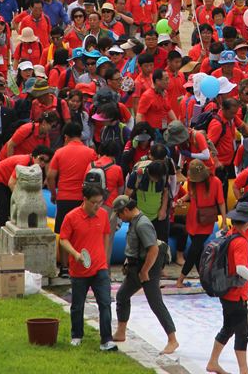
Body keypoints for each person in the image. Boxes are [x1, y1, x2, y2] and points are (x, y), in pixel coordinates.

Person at [206, 200, 248, 374]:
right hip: (236, 294)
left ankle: (213, 362)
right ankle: (244, 369)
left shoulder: (227, 235)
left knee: (228, 328)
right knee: (242, 332)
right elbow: (240, 268)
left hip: (226, 291)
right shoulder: (240, 242)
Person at [111, 194, 178, 354]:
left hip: (147, 267)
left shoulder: (142, 224)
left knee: (155, 302)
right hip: (136, 266)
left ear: (126, 210)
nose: (119, 217)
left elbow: (153, 249)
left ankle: (172, 339)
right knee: (122, 296)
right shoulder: (134, 222)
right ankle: (121, 332)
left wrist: (145, 271)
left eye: (119, 214)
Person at [59, 182, 117, 351]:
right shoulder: (71, 217)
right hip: (79, 270)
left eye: (100, 202)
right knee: (78, 305)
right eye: (94, 202)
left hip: (100, 268)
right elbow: (63, 239)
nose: (97, 206)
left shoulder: (104, 215)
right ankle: (76, 335)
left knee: (105, 303)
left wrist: (105, 259)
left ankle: (106, 339)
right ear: (84, 199)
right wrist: (76, 254)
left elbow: (106, 235)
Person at [46, 121, 97, 277]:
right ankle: (84, 264)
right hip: (84, 199)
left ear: (66, 137)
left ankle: (65, 268)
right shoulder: (90, 153)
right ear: (81, 136)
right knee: (84, 232)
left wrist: (54, 194)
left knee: (64, 233)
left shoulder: (60, 153)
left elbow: (50, 176)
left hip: (64, 198)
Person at [176, 160, 226, 288]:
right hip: (193, 218)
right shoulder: (192, 181)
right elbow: (191, 193)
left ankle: (181, 278)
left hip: (206, 220)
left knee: (193, 250)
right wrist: (182, 199)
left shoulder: (216, 182)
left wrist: (224, 221)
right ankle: (204, 279)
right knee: (197, 251)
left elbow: (221, 202)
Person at [0, 147, 53, 226]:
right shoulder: (24, 162)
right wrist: (21, 199)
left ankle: (8, 224)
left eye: (46, 161)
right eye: (41, 159)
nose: (43, 163)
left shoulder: (34, 166)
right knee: (4, 204)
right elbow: (11, 183)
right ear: (34, 156)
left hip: (4, 180)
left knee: (11, 204)